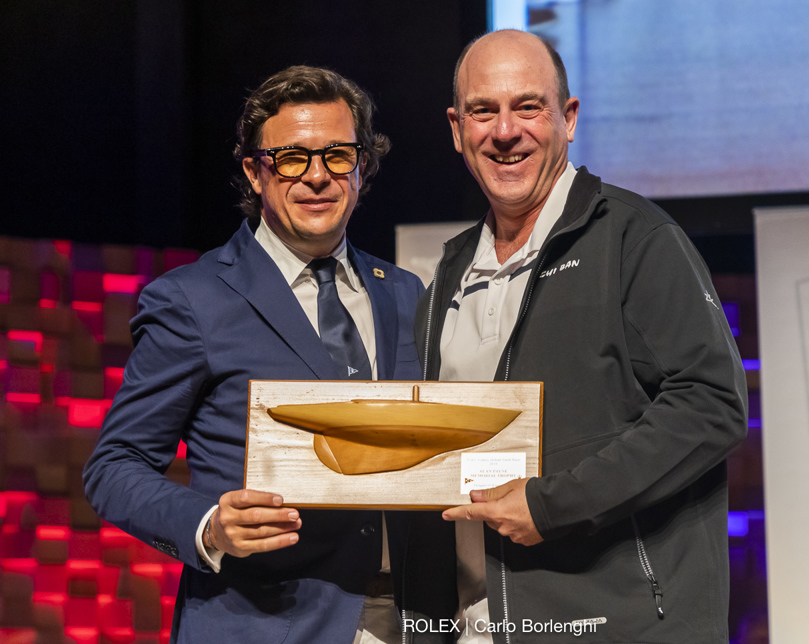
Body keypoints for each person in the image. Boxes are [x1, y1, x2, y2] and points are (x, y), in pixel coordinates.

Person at [84, 65, 451, 643]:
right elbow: (115, 466)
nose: (316, 177)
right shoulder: (192, 299)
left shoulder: (405, 292)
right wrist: (209, 527)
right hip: (265, 621)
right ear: (257, 173)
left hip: (409, 619)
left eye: (337, 155)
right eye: (291, 158)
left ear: (361, 170)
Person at [415, 31, 748, 642]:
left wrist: (552, 505)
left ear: (568, 118)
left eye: (529, 107)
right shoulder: (448, 273)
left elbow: (711, 404)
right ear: (457, 129)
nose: (505, 131)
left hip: (621, 624)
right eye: (483, 111)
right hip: (480, 625)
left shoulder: (635, 239)